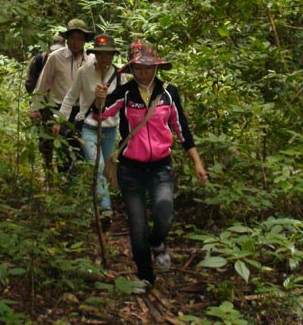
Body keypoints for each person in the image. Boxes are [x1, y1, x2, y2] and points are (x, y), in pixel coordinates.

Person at [93, 39, 208, 288]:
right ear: (131, 69)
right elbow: (100, 114)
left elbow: (182, 128)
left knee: (164, 214)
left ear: (156, 67)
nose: (143, 73)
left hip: (160, 167)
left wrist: (197, 162)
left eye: (147, 67)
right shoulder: (125, 92)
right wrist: (99, 99)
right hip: (130, 169)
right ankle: (145, 276)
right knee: (137, 226)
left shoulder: (168, 93)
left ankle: (158, 242)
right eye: (138, 68)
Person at [59, 34, 124, 214]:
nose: (104, 58)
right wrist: (60, 121)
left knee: (105, 170)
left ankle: (96, 200)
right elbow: (70, 97)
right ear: (95, 54)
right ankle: (106, 210)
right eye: (100, 54)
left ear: (113, 55)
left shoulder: (120, 76)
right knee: (98, 167)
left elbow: (124, 103)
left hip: (110, 129)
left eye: (108, 54)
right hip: (88, 127)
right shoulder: (84, 72)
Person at [30, 18, 95, 175]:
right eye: (72, 38)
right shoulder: (55, 57)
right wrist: (35, 107)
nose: (76, 42)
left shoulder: (91, 59)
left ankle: (77, 179)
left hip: (82, 109)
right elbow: (43, 83)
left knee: (80, 147)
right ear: (66, 39)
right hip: (59, 109)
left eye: (80, 38)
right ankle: (63, 179)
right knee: (62, 148)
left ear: (85, 40)